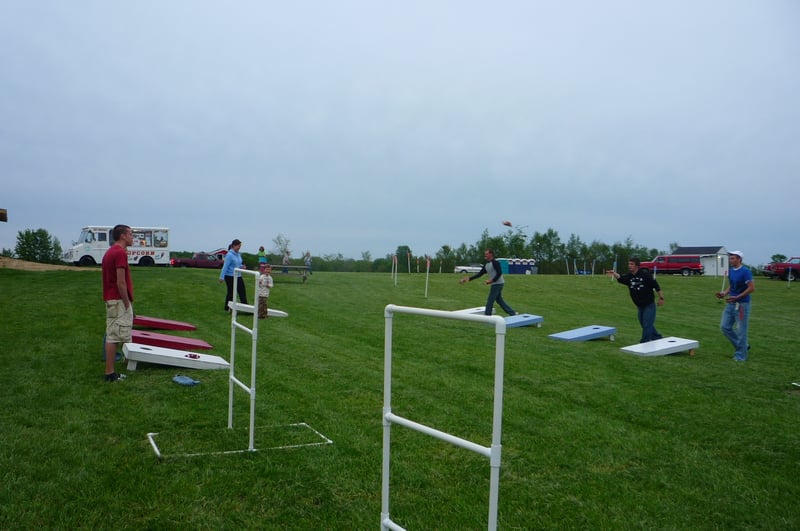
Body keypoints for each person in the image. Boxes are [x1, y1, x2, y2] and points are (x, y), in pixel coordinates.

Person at [102, 224, 134, 382]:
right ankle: (110, 373)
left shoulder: (111, 251)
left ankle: (119, 367)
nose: (132, 237)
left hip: (111, 298)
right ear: (123, 236)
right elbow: (121, 282)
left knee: (114, 334)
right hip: (118, 300)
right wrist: (127, 302)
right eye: (131, 234)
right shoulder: (119, 253)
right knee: (114, 336)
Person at [609, 257, 664, 343]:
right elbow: (621, 278)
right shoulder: (629, 277)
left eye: (631, 264)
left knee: (647, 323)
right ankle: (657, 337)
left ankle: (644, 342)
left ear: (637, 266)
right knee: (644, 323)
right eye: (629, 264)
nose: (629, 266)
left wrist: (661, 298)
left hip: (649, 304)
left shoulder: (645, 275)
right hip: (639, 306)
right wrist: (614, 274)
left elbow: (656, 286)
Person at [717, 250, 755, 361]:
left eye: (733, 258)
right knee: (724, 327)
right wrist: (724, 293)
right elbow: (732, 286)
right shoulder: (731, 271)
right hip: (731, 303)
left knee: (741, 331)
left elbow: (752, 288)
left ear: (739, 259)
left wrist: (738, 297)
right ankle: (744, 346)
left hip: (742, 305)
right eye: (730, 258)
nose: (730, 260)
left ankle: (740, 356)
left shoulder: (745, 271)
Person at [459, 249, 517, 316]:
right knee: (499, 300)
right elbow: (479, 274)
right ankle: (512, 313)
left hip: (498, 283)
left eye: (486, 254)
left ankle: (487, 316)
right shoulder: (486, 265)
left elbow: (499, 273)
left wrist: (491, 280)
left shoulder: (495, 263)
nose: (485, 255)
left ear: (491, 254)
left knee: (490, 299)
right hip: (495, 283)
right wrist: (468, 279)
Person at [219, 239, 248, 312]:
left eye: (240, 246)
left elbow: (237, 264)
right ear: (233, 246)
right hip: (230, 276)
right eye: (238, 246)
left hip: (238, 275)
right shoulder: (229, 255)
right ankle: (227, 307)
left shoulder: (238, 254)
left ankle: (246, 308)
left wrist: (242, 266)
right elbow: (225, 266)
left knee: (242, 291)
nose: (239, 247)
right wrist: (221, 277)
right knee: (231, 292)